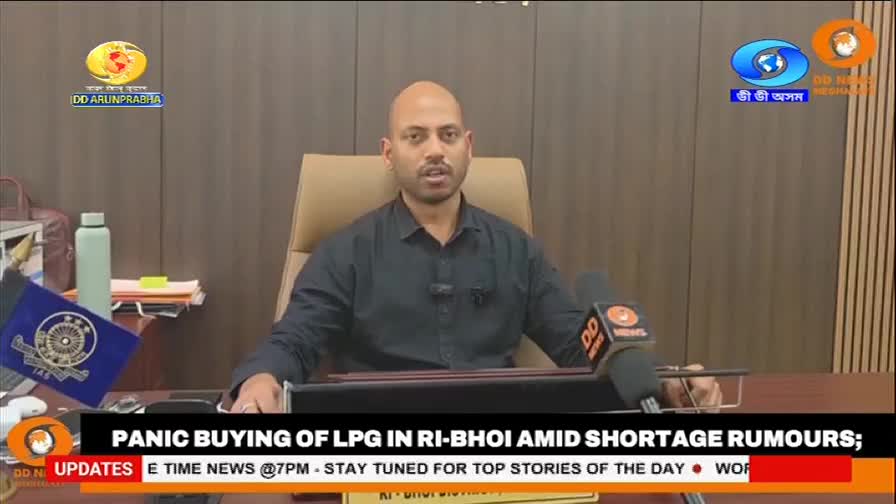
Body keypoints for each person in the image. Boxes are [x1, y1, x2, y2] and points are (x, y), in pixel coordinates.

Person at [229, 81, 722, 414]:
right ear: (388, 152)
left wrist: (664, 381)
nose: (434, 151)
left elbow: (580, 345)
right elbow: (294, 341)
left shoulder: (515, 251)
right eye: (415, 137)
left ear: (469, 146)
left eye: (447, 135)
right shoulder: (345, 252)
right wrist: (259, 382)